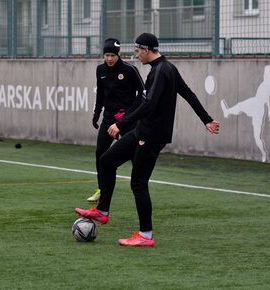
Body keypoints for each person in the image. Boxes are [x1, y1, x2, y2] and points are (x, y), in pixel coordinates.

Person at [75, 33, 220, 247]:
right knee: (107, 161)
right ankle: (103, 211)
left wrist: (120, 124)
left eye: (137, 50)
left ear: (146, 49)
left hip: (151, 136)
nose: (135, 55)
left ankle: (146, 235)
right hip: (142, 131)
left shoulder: (161, 71)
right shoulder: (165, 68)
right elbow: (188, 93)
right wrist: (206, 119)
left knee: (138, 183)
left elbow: (149, 105)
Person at [87, 38, 145, 202]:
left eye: (112, 55)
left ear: (118, 55)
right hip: (108, 119)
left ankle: (139, 187)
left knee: (135, 155)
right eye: (106, 55)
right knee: (100, 153)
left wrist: (130, 114)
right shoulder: (100, 70)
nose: (109, 59)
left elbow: (143, 94)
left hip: (127, 120)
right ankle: (101, 189)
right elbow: (101, 93)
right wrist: (97, 113)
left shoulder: (129, 70)